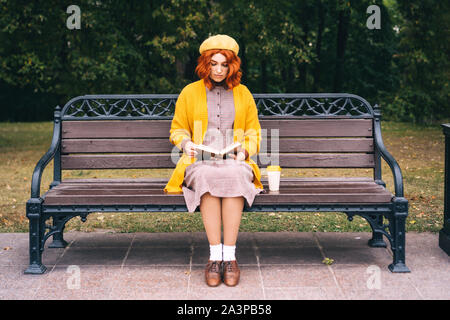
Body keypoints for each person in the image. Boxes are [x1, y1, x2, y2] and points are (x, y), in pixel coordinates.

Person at [164, 34, 264, 287]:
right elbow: (177, 129)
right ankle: (214, 258)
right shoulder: (189, 92)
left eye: (224, 64)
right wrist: (186, 144)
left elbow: (253, 132)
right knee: (207, 175)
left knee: (234, 173)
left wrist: (244, 151)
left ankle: (229, 258)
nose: (218, 70)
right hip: (200, 160)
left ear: (233, 65)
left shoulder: (243, 94)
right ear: (204, 64)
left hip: (233, 158)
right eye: (213, 64)